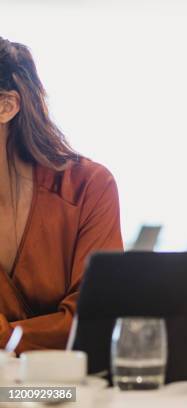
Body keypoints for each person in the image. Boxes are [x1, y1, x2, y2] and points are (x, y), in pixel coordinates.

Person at [0, 37, 123, 353]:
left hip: (76, 390)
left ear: (7, 106)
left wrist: (6, 337)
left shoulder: (88, 186)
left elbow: (95, 320)